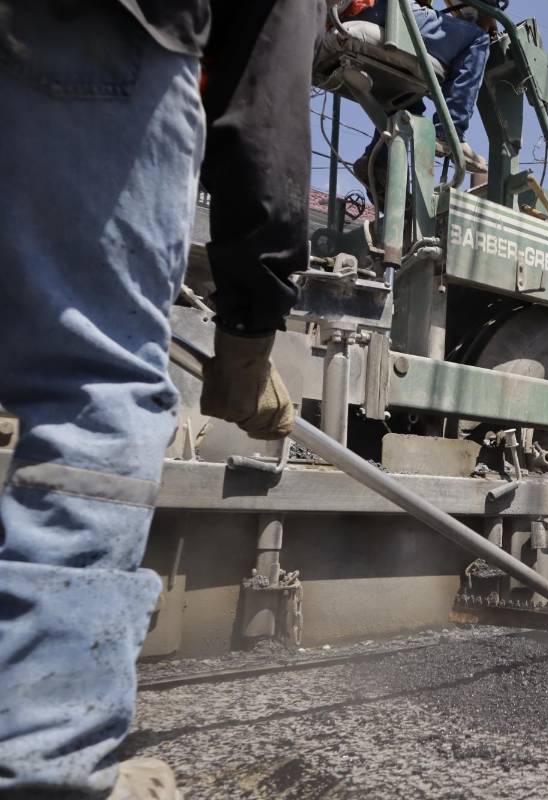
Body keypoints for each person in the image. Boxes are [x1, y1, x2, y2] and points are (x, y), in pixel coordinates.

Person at [0, 1, 321, 796]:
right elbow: (265, 99)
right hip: (103, 45)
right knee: (89, 385)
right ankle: (43, 765)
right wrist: (250, 332)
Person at [341, 0, 495, 184]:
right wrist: (488, 14)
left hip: (350, 12)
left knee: (408, 101)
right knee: (477, 39)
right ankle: (450, 133)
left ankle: (377, 164)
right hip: (386, 7)